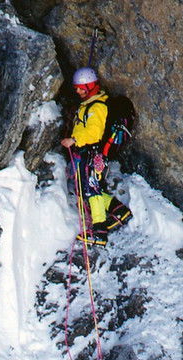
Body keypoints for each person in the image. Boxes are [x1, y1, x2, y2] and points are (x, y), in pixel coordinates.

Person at [60, 67, 132, 247]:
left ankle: (99, 231)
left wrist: (74, 139)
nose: (78, 91)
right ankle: (119, 210)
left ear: (90, 86)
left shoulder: (97, 107)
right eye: (76, 88)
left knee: (92, 189)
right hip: (87, 153)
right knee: (86, 188)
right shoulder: (88, 105)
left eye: (81, 88)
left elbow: (94, 133)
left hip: (92, 153)